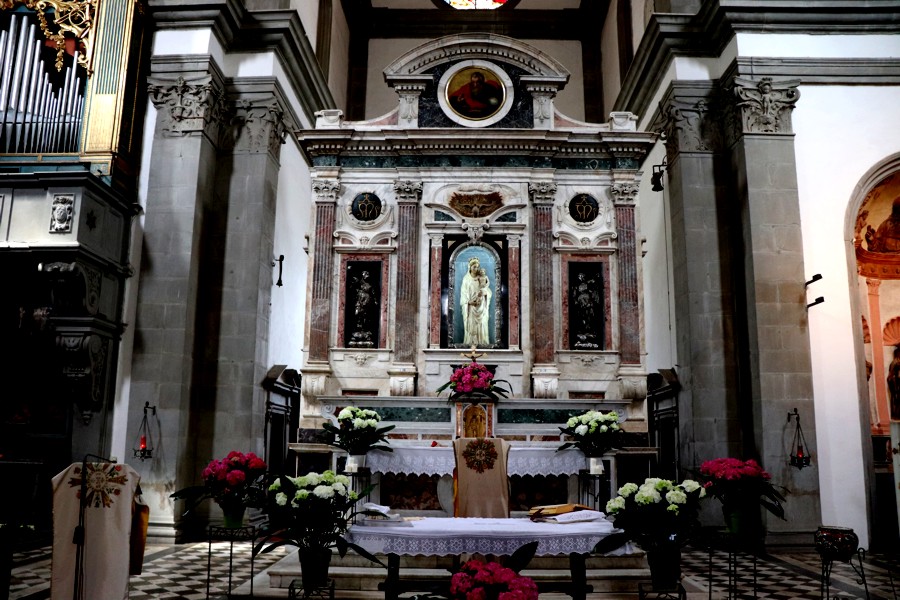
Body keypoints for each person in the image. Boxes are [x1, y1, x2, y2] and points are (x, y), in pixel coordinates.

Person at [460, 258, 492, 347]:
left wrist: (484, 293)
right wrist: (469, 302)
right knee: (471, 326)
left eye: (477, 267)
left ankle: (482, 344)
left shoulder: (481, 278)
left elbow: (488, 291)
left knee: (482, 325)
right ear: (470, 267)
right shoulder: (466, 279)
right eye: (474, 267)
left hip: (481, 307)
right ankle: (470, 344)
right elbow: (463, 294)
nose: (476, 269)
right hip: (471, 308)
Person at [349, 270, 376, 347]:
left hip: (367, 302)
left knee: (366, 317)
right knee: (357, 314)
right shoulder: (359, 282)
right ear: (362, 275)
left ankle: (364, 330)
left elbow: (373, 293)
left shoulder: (369, 285)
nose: (367, 275)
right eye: (365, 274)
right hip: (359, 301)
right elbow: (353, 285)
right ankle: (357, 328)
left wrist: (375, 301)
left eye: (368, 274)